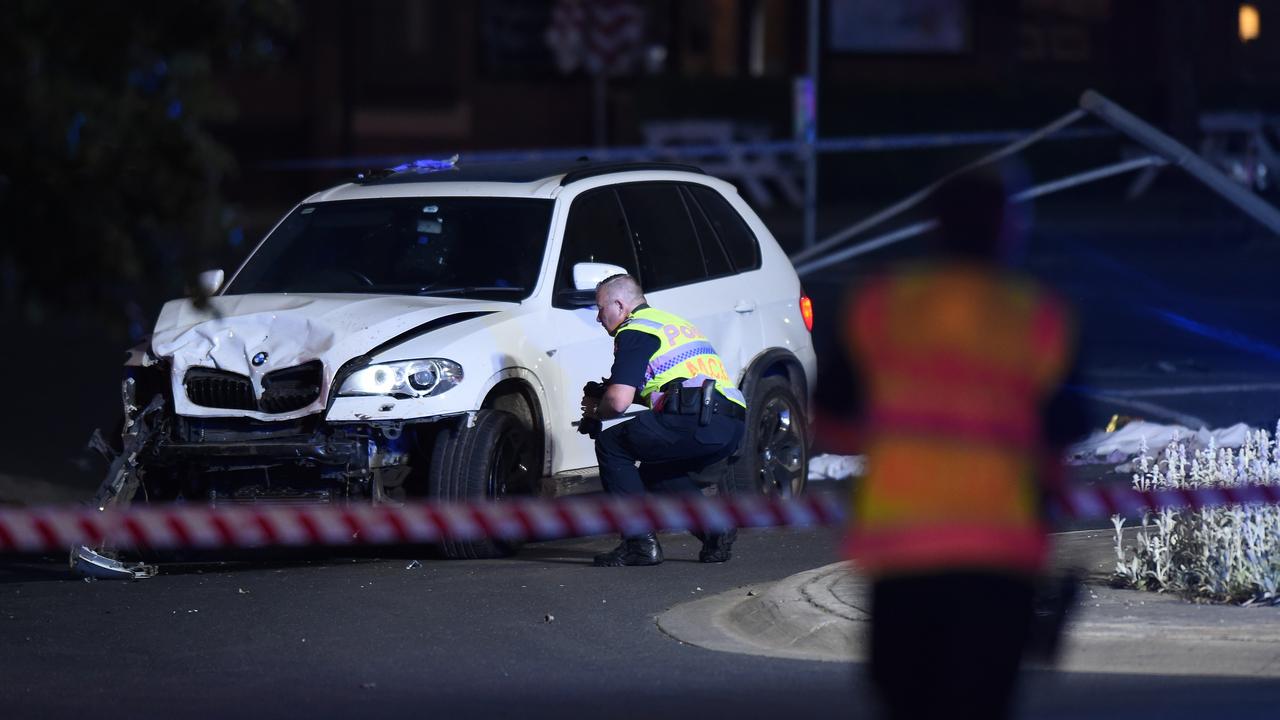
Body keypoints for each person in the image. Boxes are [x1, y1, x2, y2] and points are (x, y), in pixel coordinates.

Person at [824, 170, 1086, 719]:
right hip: (999, 557)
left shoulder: (881, 305)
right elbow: (1059, 442)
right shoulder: (1037, 315)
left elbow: (830, 420)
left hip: (902, 553)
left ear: (933, 227)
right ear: (1007, 230)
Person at [580, 274, 747, 567]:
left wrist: (597, 411)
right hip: (730, 423)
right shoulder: (672, 324)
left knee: (611, 445)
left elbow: (617, 402)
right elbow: (670, 387)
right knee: (658, 472)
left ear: (619, 305)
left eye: (600, 307)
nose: (597, 317)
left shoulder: (633, 330)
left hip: (695, 418)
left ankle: (638, 543)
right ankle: (714, 530)